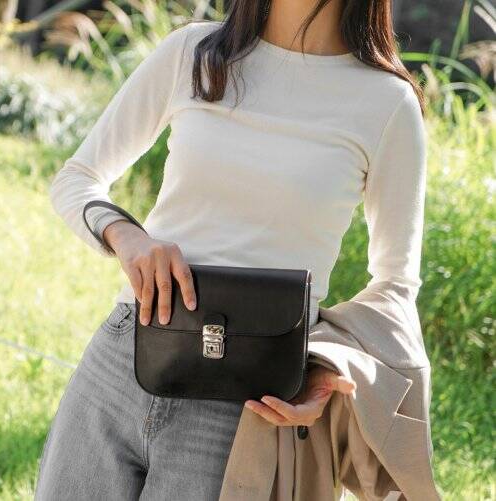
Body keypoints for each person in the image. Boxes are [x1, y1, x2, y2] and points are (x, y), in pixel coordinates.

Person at [35, 0, 430, 499]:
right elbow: (77, 178)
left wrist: (324, 368)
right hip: (123, 355)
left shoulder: (387, 103)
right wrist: (127, 236)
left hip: (245, 400)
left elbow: (396, 284)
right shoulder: (192, 52)